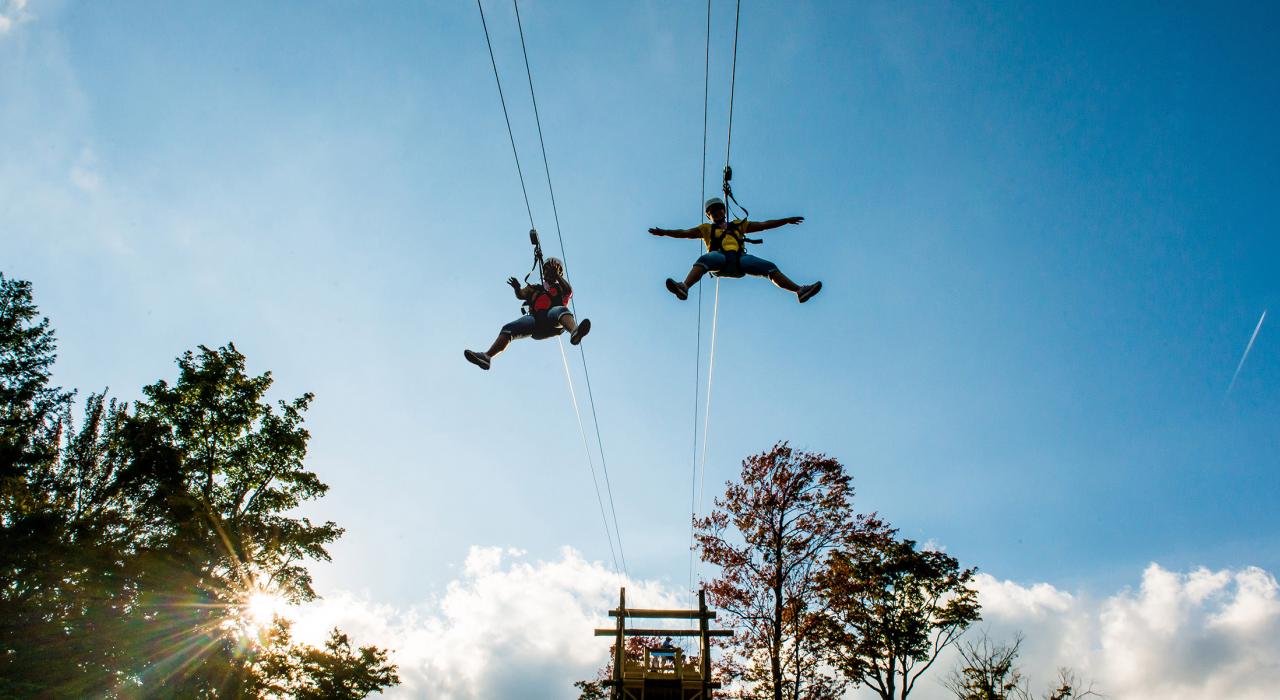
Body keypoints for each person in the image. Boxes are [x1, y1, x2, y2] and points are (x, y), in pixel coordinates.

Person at [648, 197, 822, 303]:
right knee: (706, 259)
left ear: (724, 211)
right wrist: (664, 232)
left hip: (739, 260)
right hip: (720, 259)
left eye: (718, 210)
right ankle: (684, 287)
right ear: (708, 215)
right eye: (712, 212)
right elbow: (685, 233)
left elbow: (763, 225)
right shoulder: (706, 229)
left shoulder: (739, 225)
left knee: (769, 266)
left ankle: (800, 291)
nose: (716, 213)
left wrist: (786, 220)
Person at [464, 257, 591, 370]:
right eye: (547, 270)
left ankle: (575, 332)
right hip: (536, 321)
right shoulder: (535, 288)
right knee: (508, 329)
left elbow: (568, 291)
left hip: (552, 321)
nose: (549, 273)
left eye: (553, 271)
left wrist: (557, 276)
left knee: (559, 310)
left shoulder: (560, 288)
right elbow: (521, 295)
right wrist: (517, 288)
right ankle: (487, 357)